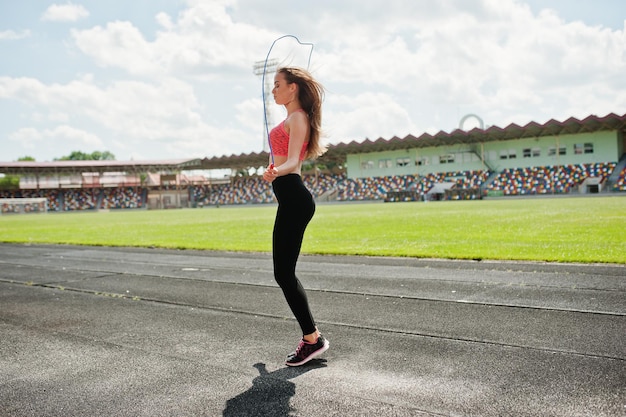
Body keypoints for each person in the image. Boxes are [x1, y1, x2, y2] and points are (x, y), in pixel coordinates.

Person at [262, 67, 329, 366]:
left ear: (293, 88)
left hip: (295, 199)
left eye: (278, 85)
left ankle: (312, 340)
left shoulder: (298, 117)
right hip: (288, 199)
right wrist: (272, 169)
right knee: (282, 273)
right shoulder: (288, 120)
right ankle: (312, 338)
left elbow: (293, 161)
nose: (273, 90)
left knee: (284, 274)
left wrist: (276, 169)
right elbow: (281, 159)